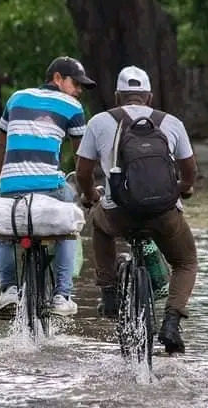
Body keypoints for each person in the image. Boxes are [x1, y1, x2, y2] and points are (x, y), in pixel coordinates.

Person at [75, 65, 199, 354]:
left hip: (118, 211)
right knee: (185, 262)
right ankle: (172, 320)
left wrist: (90, 195)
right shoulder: (172, 123)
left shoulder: (99, 122)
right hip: (163, 213)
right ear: (150, 97)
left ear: (118, 96)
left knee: (99, 224)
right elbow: (190, 171)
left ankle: (108, 293)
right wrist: (182, 188)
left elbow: (83, 172)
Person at [0, 56, 96, 318]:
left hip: (11, 185)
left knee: (6, 229)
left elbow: (0, 145)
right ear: (57, 78)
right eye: (76, 83)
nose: (78, 90)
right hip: (50, 187)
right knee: (70, 225)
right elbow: (82, 161)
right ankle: (62, 295)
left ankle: (8, 290)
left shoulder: (15, 98)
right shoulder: (73, 107)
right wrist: (86, 193)